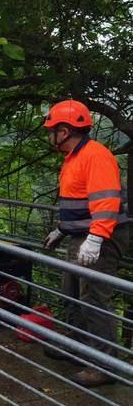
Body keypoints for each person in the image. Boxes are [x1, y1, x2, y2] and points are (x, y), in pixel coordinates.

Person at [42, 99, 129, 387]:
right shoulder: (74, 158)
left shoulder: (96, 155)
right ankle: (77, 346)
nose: (49, 135)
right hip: (83, 234)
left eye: (51, 130)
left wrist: (95, 239)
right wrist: (61, 230)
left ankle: (105, 366)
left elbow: (106, 203)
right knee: (71, 291)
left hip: (102, 236)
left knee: (93, 298)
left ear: (64, 131)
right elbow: (76, 204)